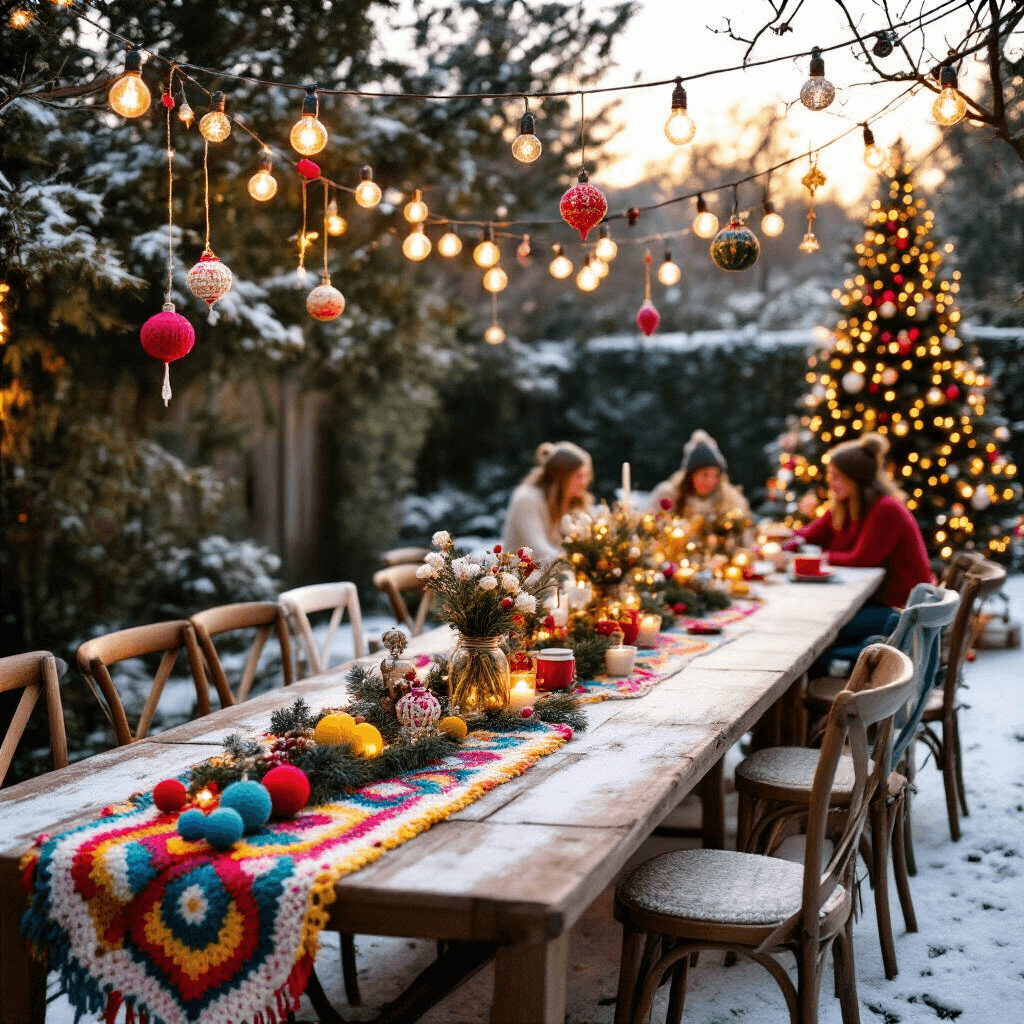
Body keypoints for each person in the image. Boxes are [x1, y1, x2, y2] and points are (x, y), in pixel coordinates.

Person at [789, 431, 934, 668]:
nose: (830, 482)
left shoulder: (885, 509)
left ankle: (836, 675)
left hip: (898, 613)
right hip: (876, 603)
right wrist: (787, 544)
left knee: (815, 635)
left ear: (855, 479)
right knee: (812, 630)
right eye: (830, 476)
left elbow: (862, 558)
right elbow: (808, 534)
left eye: (837, 477)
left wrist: (815, 557)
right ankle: (835, 670)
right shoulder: (843, 506)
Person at [502, 441, 592, 563]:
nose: (584, 482)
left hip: (554, 578)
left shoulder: (573, 504)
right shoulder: (526, 499)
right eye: (578, 476)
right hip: (520, 578)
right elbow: (539, 549)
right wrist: (579, 563)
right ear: (561, 477)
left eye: (585, 476)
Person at [647, 429, 750, 520]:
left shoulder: (730, 502)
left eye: (716, 476)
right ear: (691, 475)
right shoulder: (669, 496)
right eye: (705, 475)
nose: (711, 481)